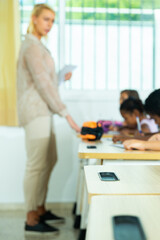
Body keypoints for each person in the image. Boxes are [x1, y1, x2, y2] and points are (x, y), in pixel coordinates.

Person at [16, 3, 80, 235]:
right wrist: (68, 115)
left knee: (49, 159)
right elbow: (43, 86)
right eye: (46, 19)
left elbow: (45, 82)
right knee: (36, 165)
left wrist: (60, 78)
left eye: (52, 21)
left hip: (43, 111)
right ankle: (31, 218)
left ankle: (40, 209)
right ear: (33, 19)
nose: (49, 25)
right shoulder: (31, 47)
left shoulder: (39, 46)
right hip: (35, 112)